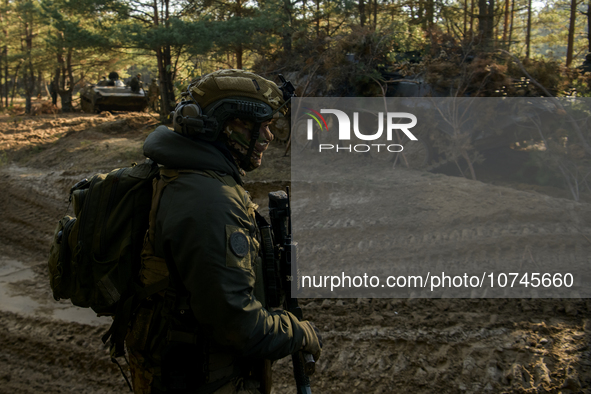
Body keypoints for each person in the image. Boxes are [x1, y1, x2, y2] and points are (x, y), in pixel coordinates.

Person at [126, 69, 322, 394]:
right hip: (198, 378)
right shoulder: (210, 201)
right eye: (261, 126)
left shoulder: (189, 174)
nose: (269, 137)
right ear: (225, 124)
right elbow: (237, 325)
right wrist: (298, 332)